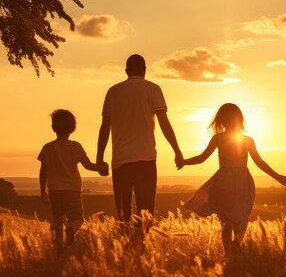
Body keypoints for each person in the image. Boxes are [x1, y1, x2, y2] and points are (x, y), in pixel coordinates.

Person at [177, 103, 286, 258]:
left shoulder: (219, 138)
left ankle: (229, 253)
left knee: (226, 221)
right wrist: (277, 176)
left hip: (224, 181)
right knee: (239, 216)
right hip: (241, 182)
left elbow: (201, 158)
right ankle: (235, 246)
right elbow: (260, 162)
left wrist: (184, 162)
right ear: (240, 120)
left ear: (222, 121)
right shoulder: (246, 140)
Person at [96, 54, 183, 227]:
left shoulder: (113, 91)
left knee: (123, 215)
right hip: (146, 159)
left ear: (126, 70)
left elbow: (105, 127)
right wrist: (177, 151)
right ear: (145, 70)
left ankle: (124, 251)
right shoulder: (153, 89)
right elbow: (164, 123)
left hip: (120, 161)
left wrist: (99, 158)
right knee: (146, 214)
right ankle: (143, 249)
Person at [38, 109, 107, 252]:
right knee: (77, 219)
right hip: (72, 191)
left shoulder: (47, 148)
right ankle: (71, 229)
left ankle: (58, 245)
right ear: (73, 128)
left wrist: (42, 190)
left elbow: (43, 171)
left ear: (53, 128)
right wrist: (101, 168)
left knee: (57, 219)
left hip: (54, 191)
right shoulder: (75, 147)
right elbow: (88, 166)